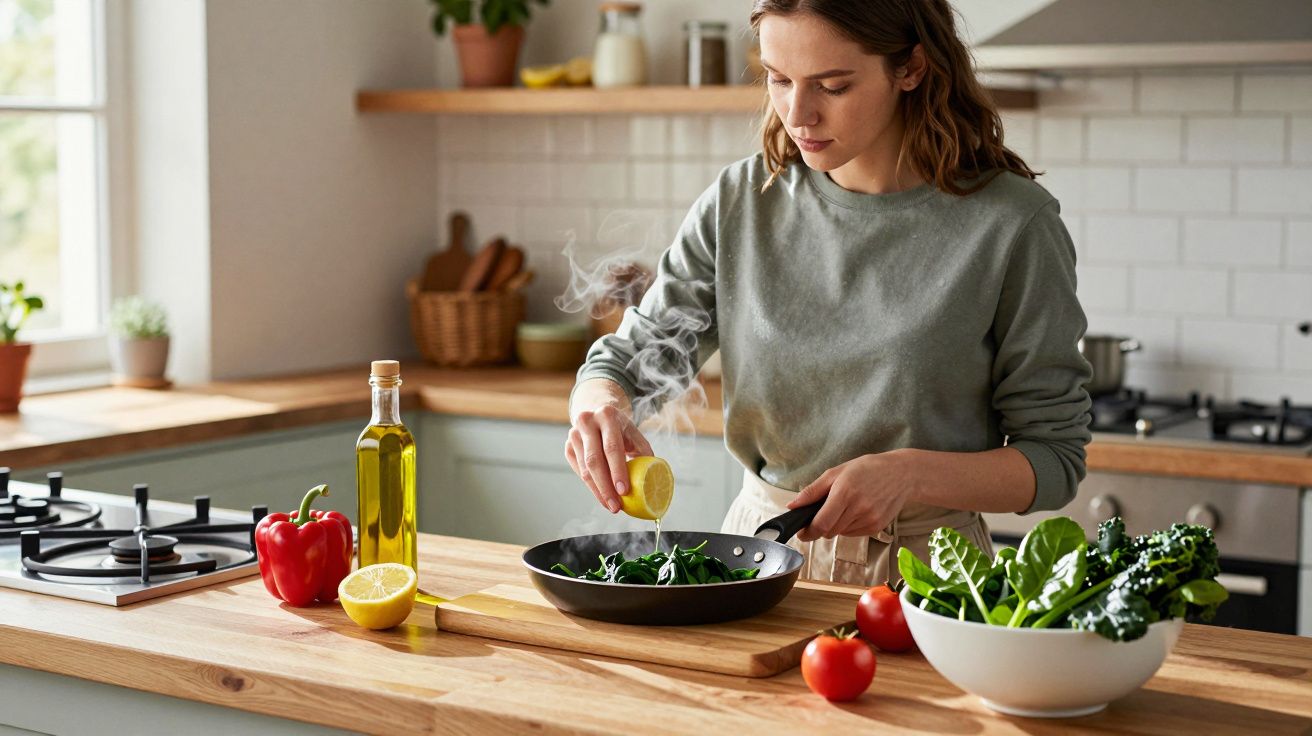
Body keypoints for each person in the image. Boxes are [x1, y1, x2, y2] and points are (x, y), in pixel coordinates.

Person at [564, 0, 1092, 585]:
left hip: (931, 577)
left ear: (911, 68)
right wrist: (600, 406)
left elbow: (1055, 459)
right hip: (759, 558)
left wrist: (910, 474)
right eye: (778, 78)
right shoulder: (742, 200)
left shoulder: (1013, 225)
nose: (798, 113)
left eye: (832, 86)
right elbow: (630, 359)